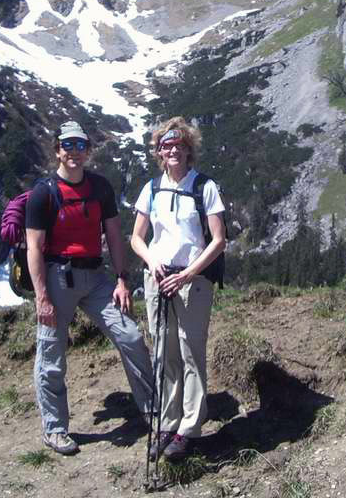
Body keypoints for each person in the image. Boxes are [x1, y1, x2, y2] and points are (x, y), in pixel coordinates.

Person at [26, 120, 154, 455]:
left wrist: (122, 278)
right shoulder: (44, 193)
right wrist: (42, 298)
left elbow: (113, 235)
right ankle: (54, 429)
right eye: (67, 145)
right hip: (57, 277)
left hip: (96, 277)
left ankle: (152, 409)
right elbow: (34, 249)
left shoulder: (99, 187)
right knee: (52, 354)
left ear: (88, 151)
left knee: (130, 336)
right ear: (57, 149)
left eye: (80, 146)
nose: (74, 152)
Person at [130, 117, 226, 462]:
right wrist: (151, 261)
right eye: (166, 146)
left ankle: (188, 428)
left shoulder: (204, 187)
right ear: (159, 152)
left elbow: (218, 240)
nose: (173, 150)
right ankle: (168, 424)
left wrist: (187, 273)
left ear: (189, 150)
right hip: (157, 279)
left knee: (190, 352)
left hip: (193, 281)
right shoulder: (151, 189)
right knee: (165, 354)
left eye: (179, 145)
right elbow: (136, 238)